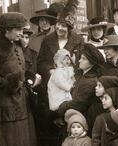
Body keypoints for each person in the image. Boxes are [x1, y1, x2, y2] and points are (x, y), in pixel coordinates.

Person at [0, 12, 36, 146]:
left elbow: (22, 70)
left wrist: (28, 80)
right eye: (18, 29)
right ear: (7, 30)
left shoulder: (16, 46)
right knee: (10, 140)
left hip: (20, 103)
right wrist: (9, 83)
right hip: (5, 105)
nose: (21, 32)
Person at [36, 5, 84, 145]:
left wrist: (70, 74)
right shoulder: (48, 40)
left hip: (70, 88)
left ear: (69, 27)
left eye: (63, 26)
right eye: (58, 24)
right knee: (50, 128)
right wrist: (50, 71)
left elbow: (81, 63)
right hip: (51, 91)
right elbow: (41, 62)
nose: (59, 29)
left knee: (70, 123)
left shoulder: (78, 40)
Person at [57, 43, 105, 130]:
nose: (79, 61)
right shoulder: (83, 76)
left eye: (83, 59)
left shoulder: (90, 82)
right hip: (74, 119)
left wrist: (60, 108)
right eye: (80, 58)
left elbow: (77, 104)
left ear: (92, 63)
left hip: (81, 124)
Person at [98, 35, 118, 110]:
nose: (105, 52)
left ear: (117, 48)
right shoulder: (103, 67)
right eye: (104, 49)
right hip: (108, 107)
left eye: (108, 49)